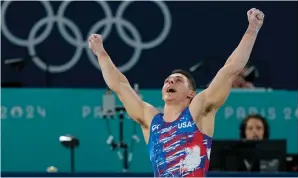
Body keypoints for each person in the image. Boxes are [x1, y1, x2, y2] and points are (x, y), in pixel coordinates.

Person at [88, 8, 264, 177]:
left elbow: (230, 69)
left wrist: (252, 30)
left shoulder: (198, 111)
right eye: (167, 81)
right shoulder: (151, 120)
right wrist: (101, 53)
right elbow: (119, 85)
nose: (170, 82)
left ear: (191, 94)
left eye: (178, 80)